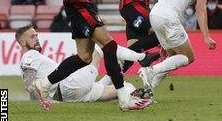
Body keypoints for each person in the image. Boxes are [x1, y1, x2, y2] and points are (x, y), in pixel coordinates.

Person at [16, 25, 144, 105]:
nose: (37, 38)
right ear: (22, 42)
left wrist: (39, 101)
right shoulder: (30, 55)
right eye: (32, 36)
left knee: (120, 89)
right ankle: (122, 63)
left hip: (70, 96)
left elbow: (31, 86)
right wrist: (45, 100)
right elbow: (29, 84)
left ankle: (136, 94)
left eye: (37, 35)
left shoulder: (29, 60)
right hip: (69, 85)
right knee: (96, 51)